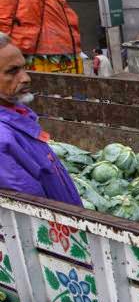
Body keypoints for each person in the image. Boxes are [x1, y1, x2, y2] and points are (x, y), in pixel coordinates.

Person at [0, 33, 81, 205]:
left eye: (23, 68)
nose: (26, 78)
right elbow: (35, 214)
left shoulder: (19, 114)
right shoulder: (2, 140)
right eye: (12, 71)